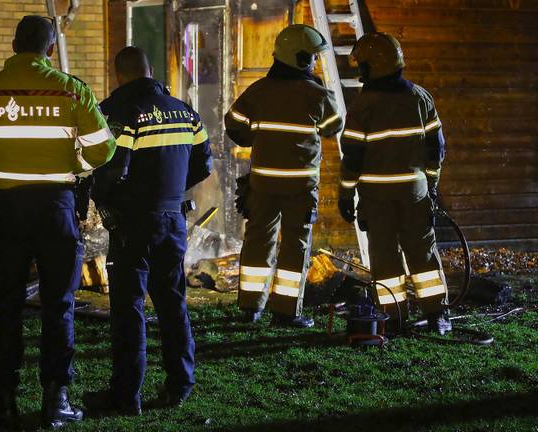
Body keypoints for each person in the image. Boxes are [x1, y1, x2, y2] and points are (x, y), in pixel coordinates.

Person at [0, 15, 115, 429]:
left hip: (4, 212)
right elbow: (102, 150)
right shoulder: (72, 90)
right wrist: (72, 165)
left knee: (5, 307)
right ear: (50, 49)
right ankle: (56, 399)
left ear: (15, 45)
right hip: (56, 209)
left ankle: (3, 400)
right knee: (60, 305)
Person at [84, 46, 212, 415]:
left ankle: (126, 395)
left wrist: (103, 197)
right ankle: (180, 384)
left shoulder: (119, 112)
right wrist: (168, 194)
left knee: (129, 308)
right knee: (172, 303)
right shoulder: (185, 112)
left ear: (118, 74)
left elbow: (112, 170)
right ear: (150, 70)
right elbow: (203, 165)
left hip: (132, 224)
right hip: (172, 220)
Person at [224, 25, 343, 327]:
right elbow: (333, 126)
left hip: (262, 185)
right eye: (312, 57)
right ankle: (285, 312)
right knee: (295, 246)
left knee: (257, 242)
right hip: (300, 188)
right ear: (299, 58)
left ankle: (250, 307)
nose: (315, 62)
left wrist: (255, 138)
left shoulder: (258, 91)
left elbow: (233, 123)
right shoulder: (317, 95)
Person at [337, 33, 451, 335]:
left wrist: (345, 194)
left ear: (375, 65)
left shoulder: (362, 106)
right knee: (423, 253)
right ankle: (437, 315)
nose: (360, 71)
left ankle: (393, 317)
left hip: (377, 199)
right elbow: (436, 149)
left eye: (362, 65)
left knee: (385, 258)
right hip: (415, 194)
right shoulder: (421, 98)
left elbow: (352, 157)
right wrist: (431, 185)